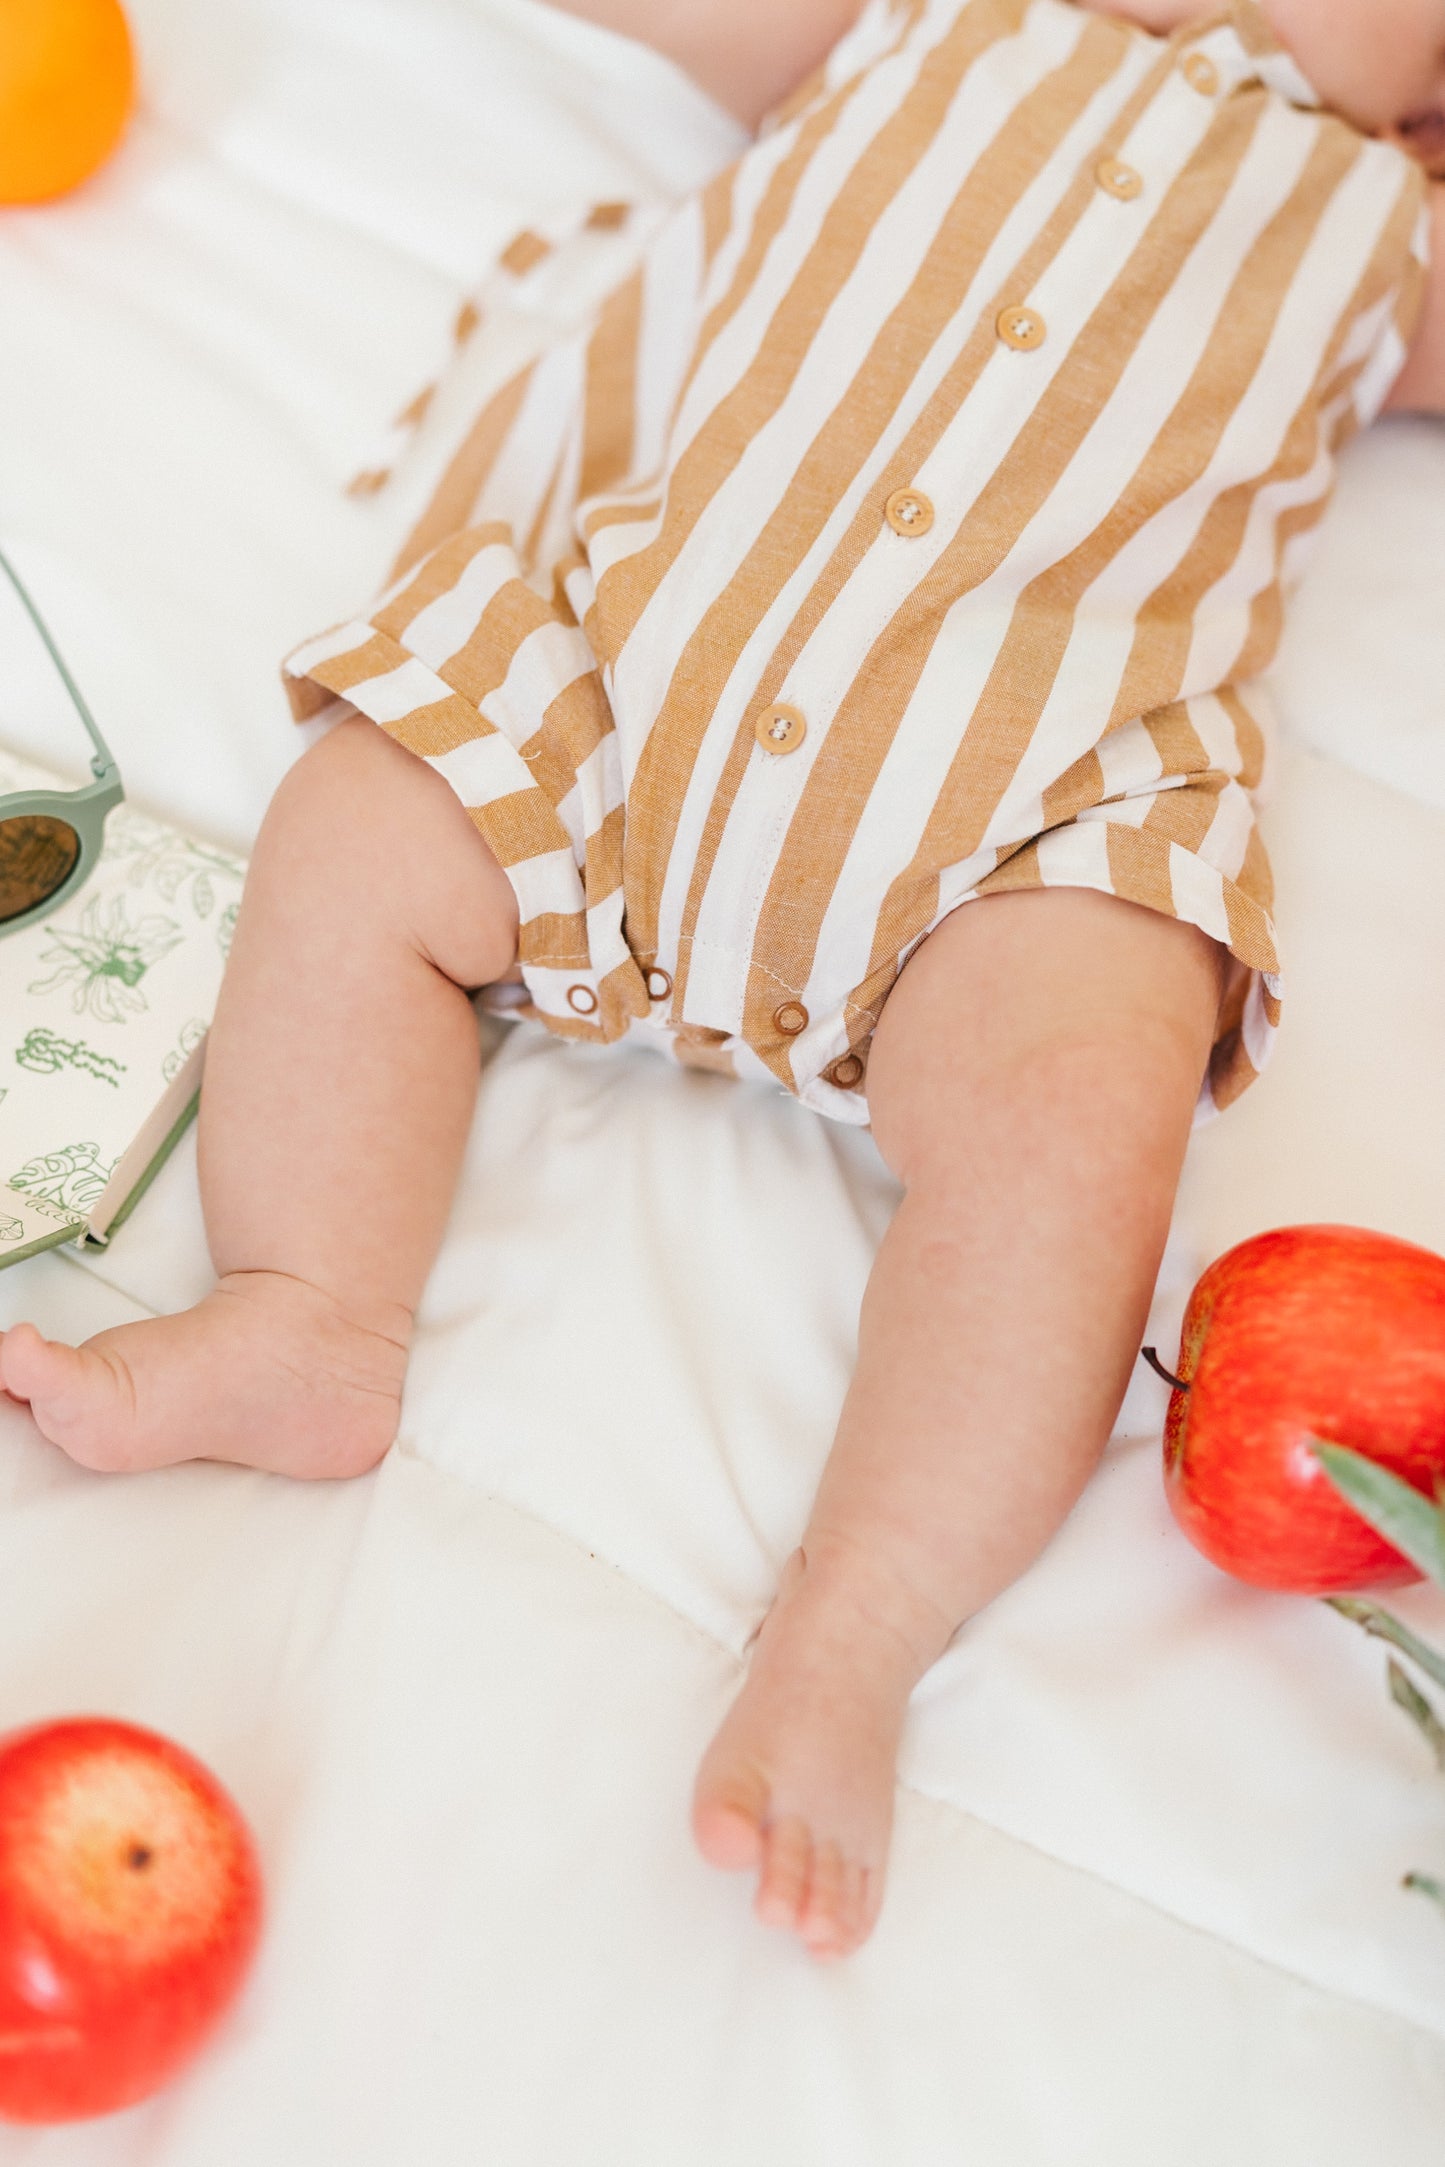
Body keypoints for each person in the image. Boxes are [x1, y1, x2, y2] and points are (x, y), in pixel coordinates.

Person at [3, 0, 1443, 1961]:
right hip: (609, 698)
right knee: (364, 815)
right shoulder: (920, 19)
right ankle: (306, 1303)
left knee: (1076, 1128)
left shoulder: (1380, 228)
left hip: (1019, 822)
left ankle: (858, 1616)